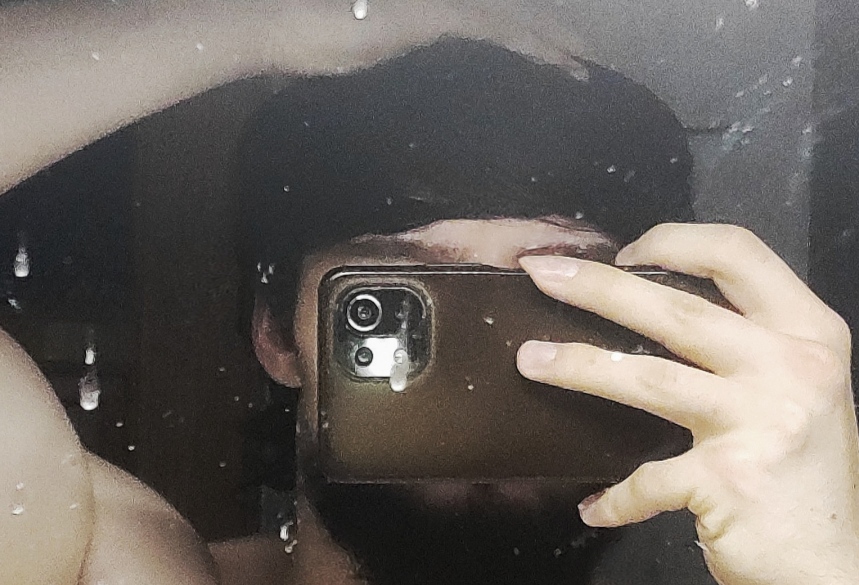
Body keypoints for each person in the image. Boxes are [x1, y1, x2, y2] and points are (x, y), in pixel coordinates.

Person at [0, 4, 856, 585]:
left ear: (653, 342)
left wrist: (818, 565)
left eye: (555, 300)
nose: (485, 372)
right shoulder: (120, 562)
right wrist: (269, 20)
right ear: (278, 336)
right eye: (400, 298)